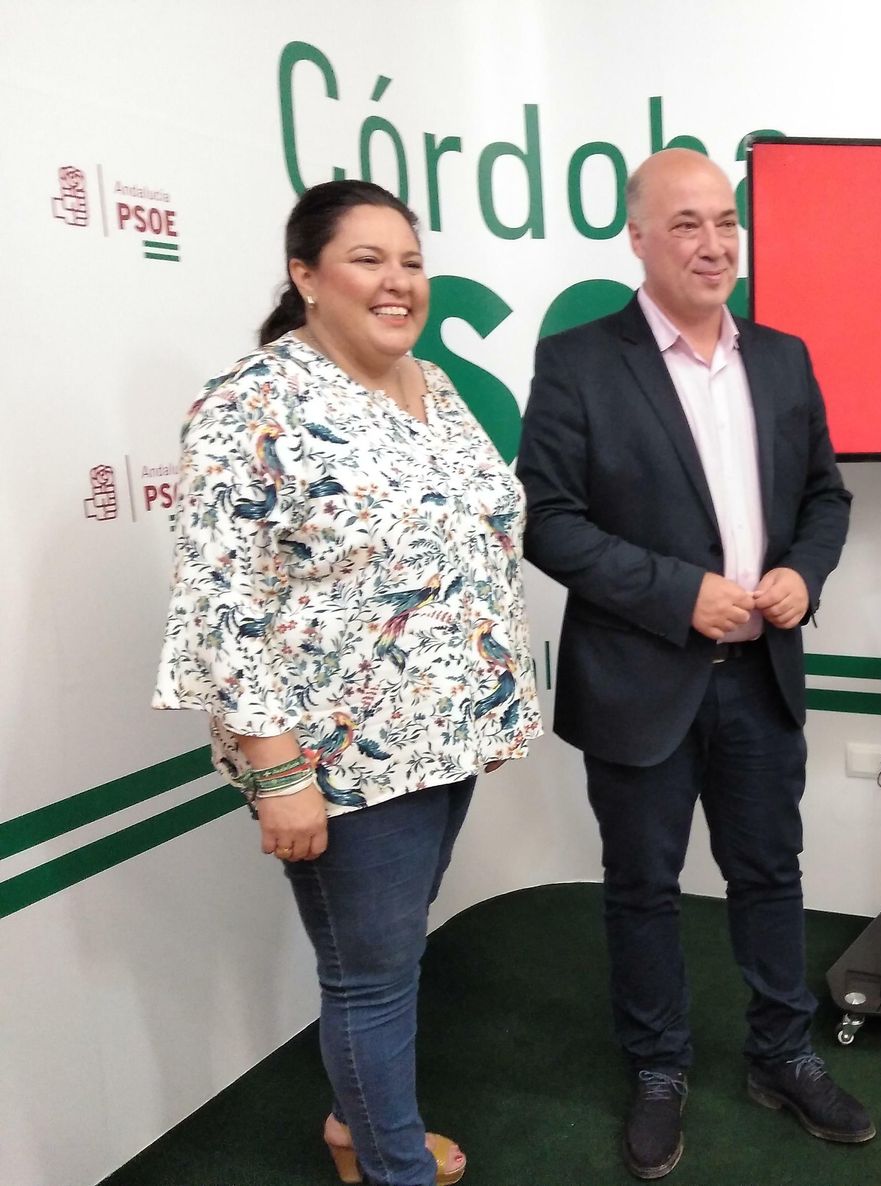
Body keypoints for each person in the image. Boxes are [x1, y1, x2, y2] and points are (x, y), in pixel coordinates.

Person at [153, 180, 540, 1186]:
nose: (397, 280)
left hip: (441, 734)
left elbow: (471, 546)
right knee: (370, 978)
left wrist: (490, 693)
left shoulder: (430, 385)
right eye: (367, 259)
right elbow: (221, 594)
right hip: (336, 757)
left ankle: (351, 1122)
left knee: (390, 956)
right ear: (305, 275)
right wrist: (276, 768)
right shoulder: (252, 404)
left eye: (409, 260)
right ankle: (391, 1162)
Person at [516, 148, 868, 1180]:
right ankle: (659, 1071)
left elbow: (824, 498)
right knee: (642, 887)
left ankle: (782, 1053)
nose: (713, 243)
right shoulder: (581, 360)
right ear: (636, 235)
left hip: (762, 672)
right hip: (639, 678)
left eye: (725, 221)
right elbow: (543, 518)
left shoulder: (784, 357)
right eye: (685, 223)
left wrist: (804, 570)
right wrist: (680, 593)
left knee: (770, 873)